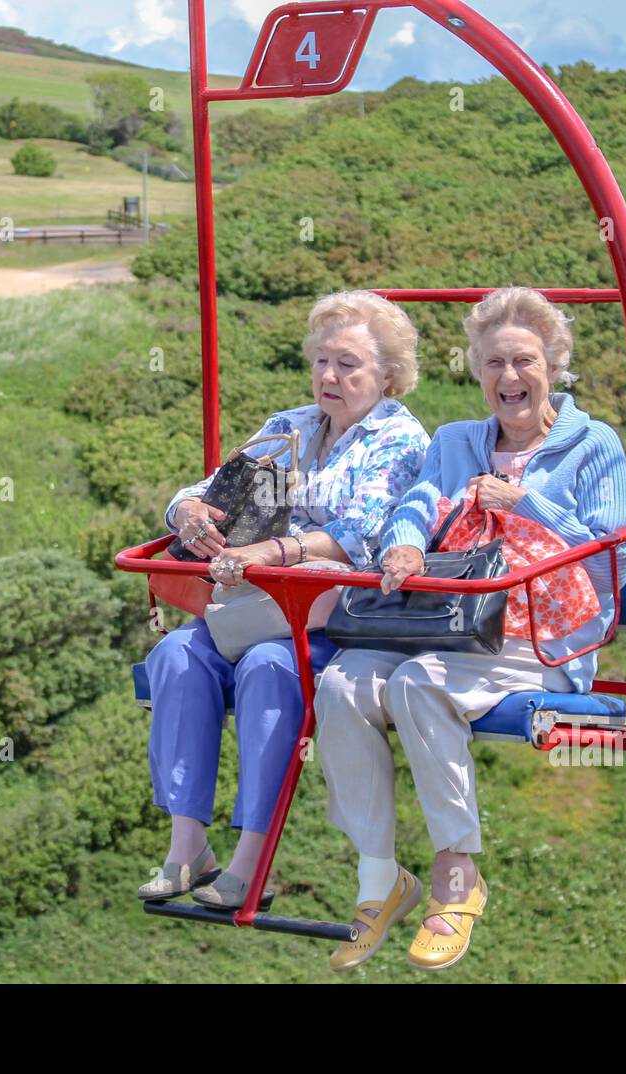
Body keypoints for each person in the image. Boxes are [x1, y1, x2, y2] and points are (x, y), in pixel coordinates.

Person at [315, 286, 626, 970]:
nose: (508, 379)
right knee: (340, 683)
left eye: (522, 362)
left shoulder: (592, 445)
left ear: (554, 365)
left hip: (539, 637)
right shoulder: (459, 441)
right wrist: (404, 542)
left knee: (419, 684)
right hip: (451, 624)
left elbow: (616, 554)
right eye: (492, 364)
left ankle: (456, 878)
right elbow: (418, 503)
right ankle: (379, 878)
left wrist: (529, 506)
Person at [139, 291, 430, 909]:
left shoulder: (397, 439)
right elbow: (215, 487)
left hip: (328, 614)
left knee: (270, 670)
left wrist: (277, 553)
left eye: (348, 364)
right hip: (252, 604)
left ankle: (254, 860)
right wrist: (188, 510)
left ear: (387, 375)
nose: (330, 376)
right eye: (322, 361)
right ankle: (187, 846)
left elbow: (364, 533)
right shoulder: (290, 429)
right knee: (174, 658)